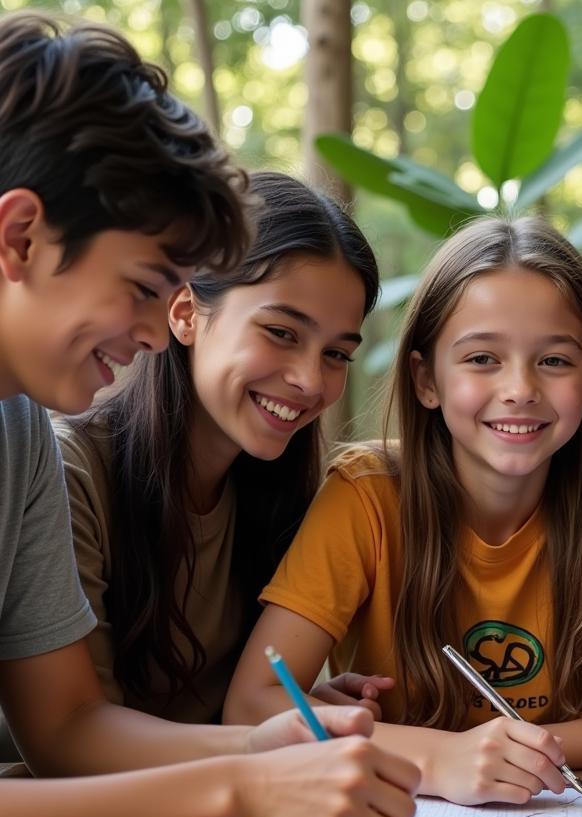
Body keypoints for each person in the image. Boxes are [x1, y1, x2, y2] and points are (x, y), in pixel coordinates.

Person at [0, 11, 417, 817]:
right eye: (146, 289)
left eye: (337, 352)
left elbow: (68, 728)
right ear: (19, 237)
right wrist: (243, 782)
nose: (157, 331)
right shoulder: (71, 453)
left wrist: (263, 749)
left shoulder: (22, 434)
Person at [224, 216, 582, 805]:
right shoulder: (365, 496)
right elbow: (253, 705)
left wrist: (513, 749)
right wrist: (441, 757)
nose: (520, 388)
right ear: (426, 379)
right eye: (483, 358)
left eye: (555, 361)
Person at [53, 170, 390, 728]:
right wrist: (263, 744)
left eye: (336, 354)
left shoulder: (289, 493)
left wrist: (300, 707)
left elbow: (235, 708)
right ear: (185, 313)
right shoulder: (69, 474)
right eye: (281, 332)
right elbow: (80, 741)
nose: (311, 380)